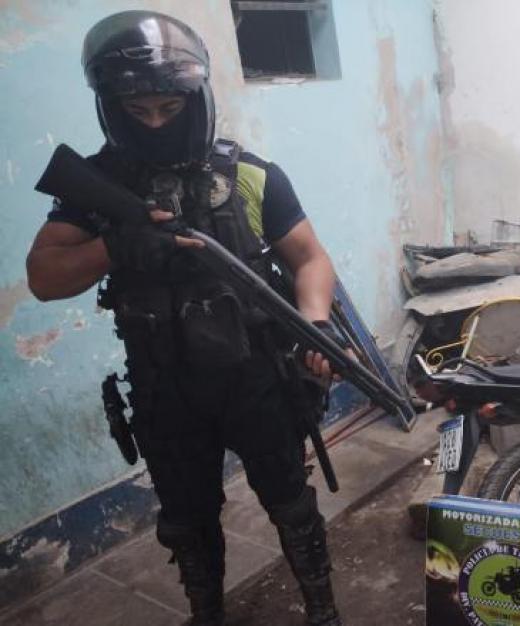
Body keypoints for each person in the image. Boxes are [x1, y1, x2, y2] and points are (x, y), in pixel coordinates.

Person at [26, 11, 345, 626]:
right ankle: (207, 613)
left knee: (290, 502)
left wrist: (317, 324)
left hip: (256, 377)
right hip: (164, 385)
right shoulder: (95, 185)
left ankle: (323, 610)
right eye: (138, 110)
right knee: (187, 521)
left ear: (195, 100)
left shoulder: (247, 175)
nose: (154, 123)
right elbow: (44, 277)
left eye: (169, 109)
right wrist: (113, 247)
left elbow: (310, 258)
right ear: (112, 107)